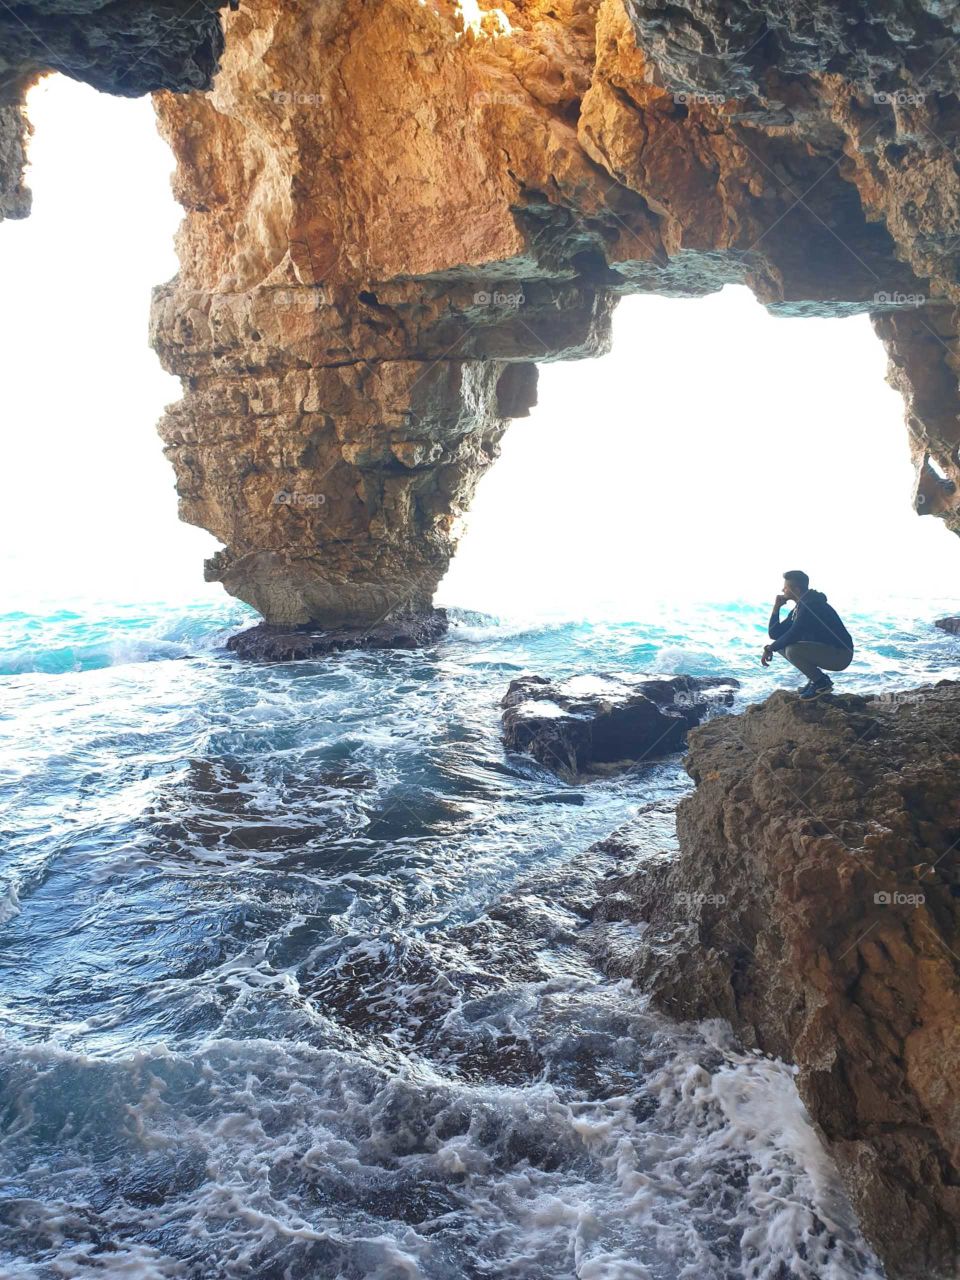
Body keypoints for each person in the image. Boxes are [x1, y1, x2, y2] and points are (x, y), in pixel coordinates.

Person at [760, 570, 854, 700]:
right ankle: (814, 679)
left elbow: (794, 634)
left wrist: (769, 649)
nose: (782, 590)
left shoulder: (811, 606)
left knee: (792, 650)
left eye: (785, 587)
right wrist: (776, 608)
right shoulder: (801, 606)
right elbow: (775, 634)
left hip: (841, 655)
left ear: (796, 589)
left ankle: (821, 683)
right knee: (782, 646)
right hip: (828, 651)